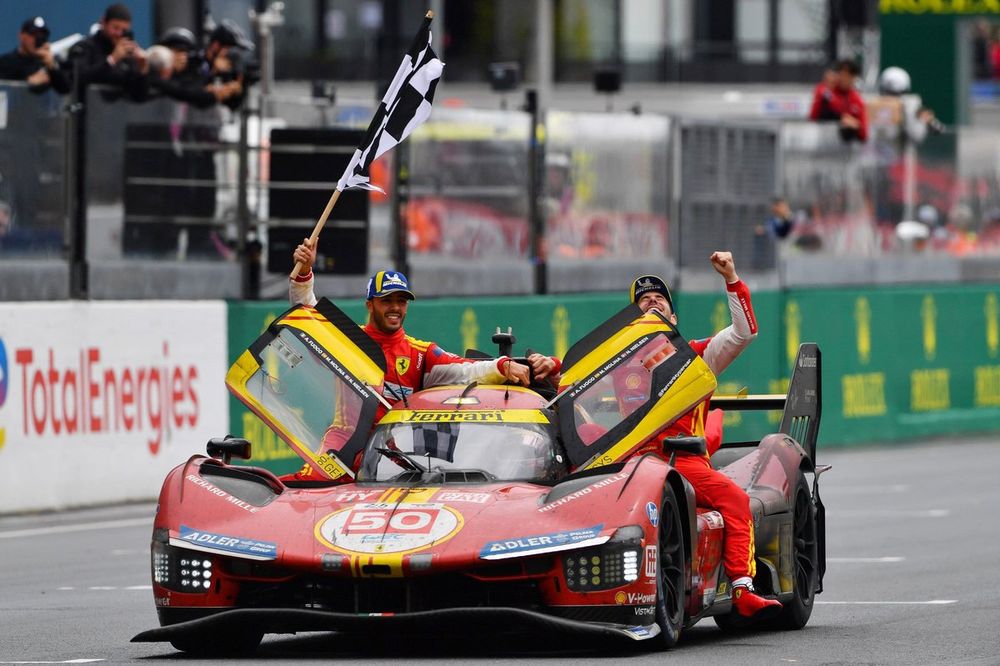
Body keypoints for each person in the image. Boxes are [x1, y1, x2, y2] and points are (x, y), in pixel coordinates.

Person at [286, 238, 560, 478]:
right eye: (387, 300)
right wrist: (305, 272)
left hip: (393, 451)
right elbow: (305, 315)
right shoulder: (347, 340)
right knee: (309, 486)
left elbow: (467, 371)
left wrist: (502, 366)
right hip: (344, 443)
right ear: (370, 304)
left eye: (401, 301)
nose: (395, 307)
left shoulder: (420, 353)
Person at [627, 253, 783, 620]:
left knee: (734, 498)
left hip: (684, 462)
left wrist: (731, 277)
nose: (651, 304)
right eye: (643, 302)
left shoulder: (697, 356)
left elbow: (744, 332)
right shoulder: (613, 364)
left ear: (673, 318)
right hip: (632, 462)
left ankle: (742, 587)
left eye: (659, 301)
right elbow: (567, 376)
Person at [63, 3, 148, 99]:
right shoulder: (85, 47)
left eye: (124, 30)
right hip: (87, 110)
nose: (119, 34)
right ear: (103, 23)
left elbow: (139, 95)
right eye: (115, 28)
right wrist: (112, 60)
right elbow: (79, 79)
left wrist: (142, 68)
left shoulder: (127, 56)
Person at [0, 17, 71, 94]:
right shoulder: (6, 62)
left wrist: (52, 67)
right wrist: (27, 82)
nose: (37, 39)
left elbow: (65, 90)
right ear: (21, 35)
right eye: (33, 34)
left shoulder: (51, 63)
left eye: (42, 36)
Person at [808, 59, 867, 143]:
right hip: (822, 143)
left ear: (854, 78)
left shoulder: (856, 99)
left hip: (847, 149)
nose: (844, 79)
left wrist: (856, 126)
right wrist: (843, 117)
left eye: (847, 76)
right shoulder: (826, 90)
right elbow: (814, 115)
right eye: (841, 75)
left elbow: (864, 133)